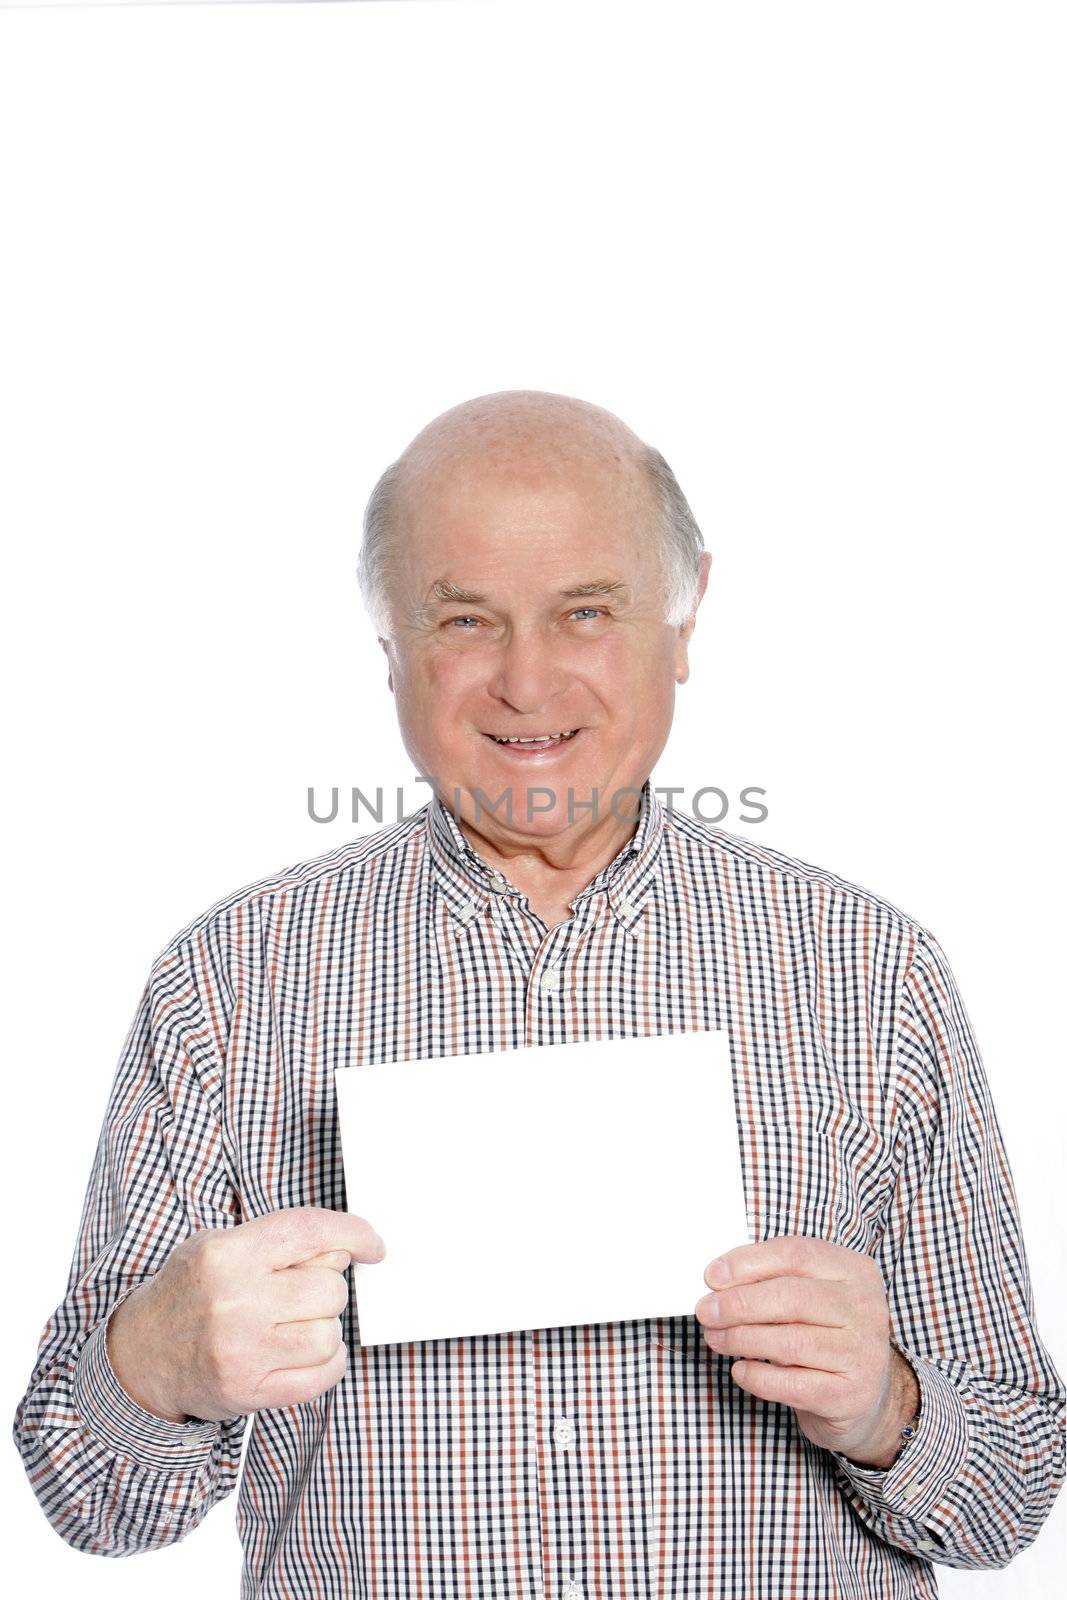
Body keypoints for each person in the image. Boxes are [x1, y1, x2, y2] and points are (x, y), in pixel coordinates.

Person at [13, 390, 1064, 1597]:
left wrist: (888, 1404)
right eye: (464, 619)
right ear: (390, 650)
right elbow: (83, 1496)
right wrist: (153, 1366)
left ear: (681, 623)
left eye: (584, 612)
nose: (525, 680)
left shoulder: (872, 974)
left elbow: (1013, 1491)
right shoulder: (227, 983)